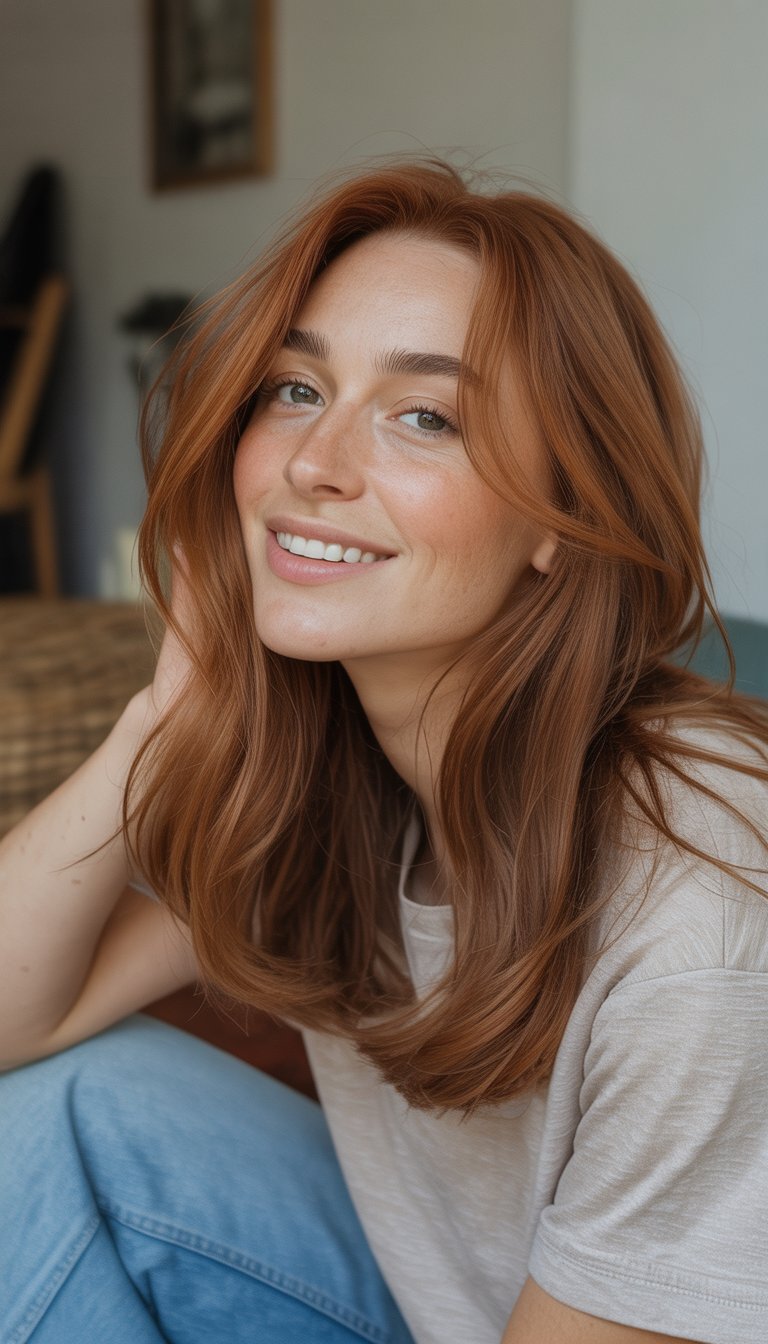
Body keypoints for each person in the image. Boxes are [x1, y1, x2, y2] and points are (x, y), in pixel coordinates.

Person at [1, 160, 767, 1344]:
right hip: (435, 1305)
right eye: (296, 388)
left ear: (565, 519)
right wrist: (161, 718)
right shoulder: (335, 763)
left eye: (426, 416)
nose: (315, 463)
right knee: (57, 1109)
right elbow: (17, 1021)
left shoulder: (704, 912)